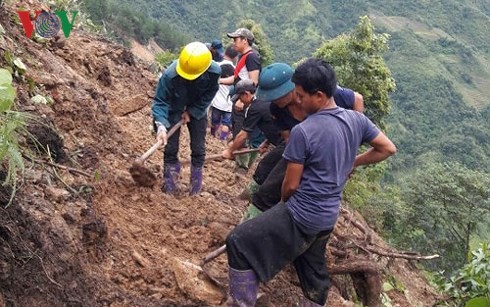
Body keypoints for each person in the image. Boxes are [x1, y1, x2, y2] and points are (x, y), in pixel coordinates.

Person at [225, 58, 396, 306]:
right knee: (312, 274)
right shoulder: (357, 121)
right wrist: (353, 162)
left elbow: (291, 186)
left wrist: (282, 207)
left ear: (318, 96)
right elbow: (388, 148)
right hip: (327, 217)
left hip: (301, 215)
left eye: (301, 96)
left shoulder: (304, 132)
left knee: (238, 242)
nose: (298, 100)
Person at [243, 63, 364, 214]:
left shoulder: (324, 95)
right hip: (300, 149)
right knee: (269, 174)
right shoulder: (276, 109)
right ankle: (256, 207)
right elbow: (290, 141)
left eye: (278, 96)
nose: (276, 101)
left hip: (326, 153)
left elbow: (357, 99)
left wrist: (351, 151)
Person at [152, 42, 221, 195]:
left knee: (198, 149)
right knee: (170, 148)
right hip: (174, 108)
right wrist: (161, 126)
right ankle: (170, 187)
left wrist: (192, 111)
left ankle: (195, 190)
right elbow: (160, 101)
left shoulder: (214, 72)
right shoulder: (170, 75)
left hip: (197, 109)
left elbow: (209, 94)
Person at [220, 27, 263, 171]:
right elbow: (236, 78)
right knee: (237, 128)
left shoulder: (252, 57)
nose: (233, 43)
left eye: (236, 39)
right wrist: (219, 81)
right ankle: (238, 160)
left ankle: (242, 167)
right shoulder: (242, 57)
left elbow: (254, 81)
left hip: (244, 99)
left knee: (242, 131)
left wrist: (242, 99)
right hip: (240, 95)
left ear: (245, 41)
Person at [221, 79, 282, 160]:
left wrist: (229, 151)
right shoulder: (263, 101)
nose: (240, 101)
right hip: (284, 142)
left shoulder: (255, 108)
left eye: (240, 97)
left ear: (246, 94)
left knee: (264, 168)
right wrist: (267, 142)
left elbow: (243, 135)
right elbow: (274, 125)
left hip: (286, 144)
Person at [210, 46, 239, 139]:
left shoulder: (217, 66)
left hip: (217, 101)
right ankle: (222, 140)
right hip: (229, 103)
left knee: (215, 122)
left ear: (225, 52)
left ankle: (213, 138)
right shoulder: (236, 71)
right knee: (226, 124)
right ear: (235, 57)